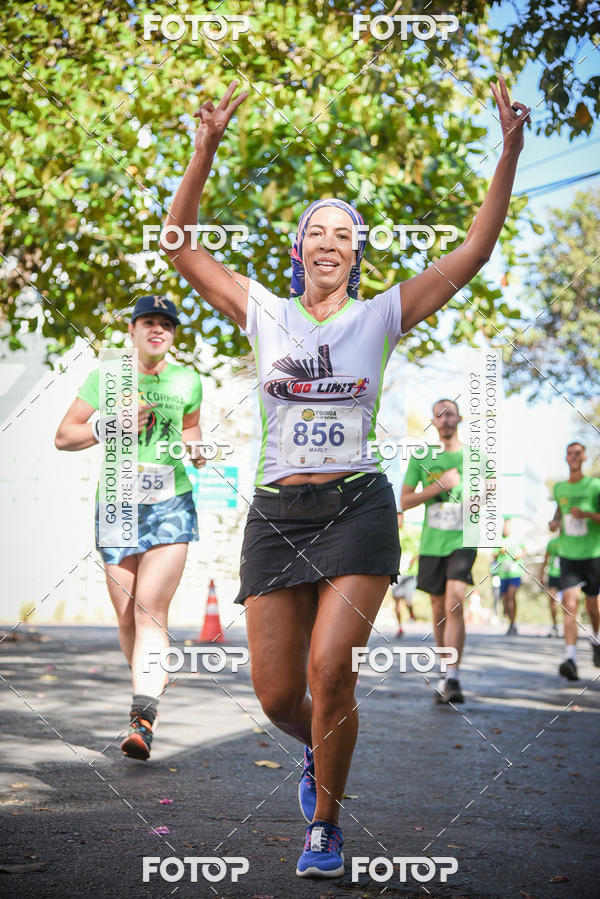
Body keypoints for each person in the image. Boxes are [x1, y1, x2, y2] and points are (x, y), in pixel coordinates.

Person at [160, 76, 530, 878]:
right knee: (274, 694)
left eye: (343, 233)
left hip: (358, 507)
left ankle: (324, 826)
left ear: (356, 252)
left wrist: (507, 153)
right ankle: (318, 758)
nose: (329, 241)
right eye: (315, 232)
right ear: (298, 251)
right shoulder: (263, 311)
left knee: (332, 670)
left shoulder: (382, 315)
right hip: (275, 514)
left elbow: (473, 251)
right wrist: (206, 145)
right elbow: (181, 245)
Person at [55, 296, 205, 759]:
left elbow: (191, 432)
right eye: (149, 323)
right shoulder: (108, 377)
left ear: (173, 334)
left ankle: (144, 715)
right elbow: (64, 436)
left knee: (149, 611)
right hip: (118, 503)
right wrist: (110, 423)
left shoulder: (187, 379)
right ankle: (150, 676)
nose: (157, 330)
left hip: (170, 502)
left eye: (166, 324)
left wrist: (198, 449)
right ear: (134, 330)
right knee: (127, 616)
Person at [401, 399, 476, 705]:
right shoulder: (422, 457)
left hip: (462, 541)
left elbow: (491, 486)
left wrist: (481, 493)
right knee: (437, 609)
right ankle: (446, 672)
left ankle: (454, 678)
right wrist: (437, 487)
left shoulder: (474, 455)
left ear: (459, 418)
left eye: (450, 414)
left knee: (454, 604)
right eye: (439, 415)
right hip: (432, 544)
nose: (445, 419)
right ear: (433, 421)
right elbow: (405, 501)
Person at [550, 441, 600, 681]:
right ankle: (570, 658)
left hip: (593, 554)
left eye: (578, 453)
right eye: (569, 453)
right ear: (565, 457)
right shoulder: (559, 488)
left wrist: (588, 515)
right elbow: (559, 511)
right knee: (569, 604)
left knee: (593, 606)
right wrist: (554, 522)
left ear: (584, 457)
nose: (573, 457)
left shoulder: (594, 485)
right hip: (568, 554)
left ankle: (596, 638)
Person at [494, 518, 525, 635]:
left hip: (515, 572)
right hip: (503, 573)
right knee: (505, 598)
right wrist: (499, 552)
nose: (505, 529)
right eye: (504, 526)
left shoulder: (518, 539)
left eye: (508, 526)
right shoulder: (499, 541)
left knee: (512, 595)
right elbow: (493, 556)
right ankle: (510, 622)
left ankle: (513, 622)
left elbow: (524, 551)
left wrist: (518, 556)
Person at [391, 513, 418, 636]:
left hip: (410, 573)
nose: (398, 519)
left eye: (400, 516)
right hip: (397, 572)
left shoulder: (411, 531)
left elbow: (420, 549)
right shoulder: (391, 531)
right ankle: (400, 627)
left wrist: (414, 559)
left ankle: (411, 614)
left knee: (407, 601)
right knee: (396, 600)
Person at [540, 534, 561, 637]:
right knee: (552, 598)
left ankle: (570, 624)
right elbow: (545, 560)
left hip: (567, 575)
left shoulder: (572, 540)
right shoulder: (552, 542)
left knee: (568, 602)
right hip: (553, 574)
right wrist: (541, 574)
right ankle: (555, 625)